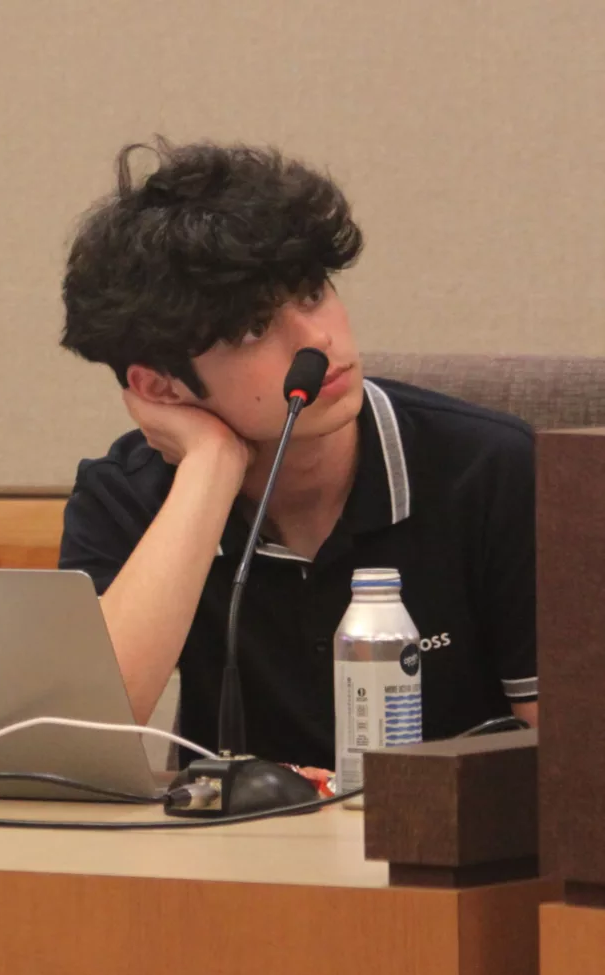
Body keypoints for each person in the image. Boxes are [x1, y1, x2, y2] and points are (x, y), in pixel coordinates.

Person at [58, 139, 538, 769]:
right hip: (245, 835)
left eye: (313, 294)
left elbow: (575, 769)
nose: (317, 340)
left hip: (443, 832)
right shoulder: (125, 494)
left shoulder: (494, 470)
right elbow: (85, 737)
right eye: (255, 329)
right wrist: (210, 468)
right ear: (161, 387)